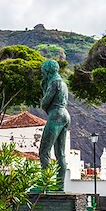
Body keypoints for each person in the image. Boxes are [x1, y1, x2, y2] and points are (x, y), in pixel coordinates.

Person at [38, 59, 71, 190]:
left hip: (56, 115)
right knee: (60, 154)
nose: (42, 73)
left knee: (44, 151)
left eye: (43, 71)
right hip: (65, 114)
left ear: (47, 71)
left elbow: (45, 103)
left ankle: (44, 185)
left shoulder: (54, 82)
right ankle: (59, 186)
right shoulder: (63, 83)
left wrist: (43, 88)